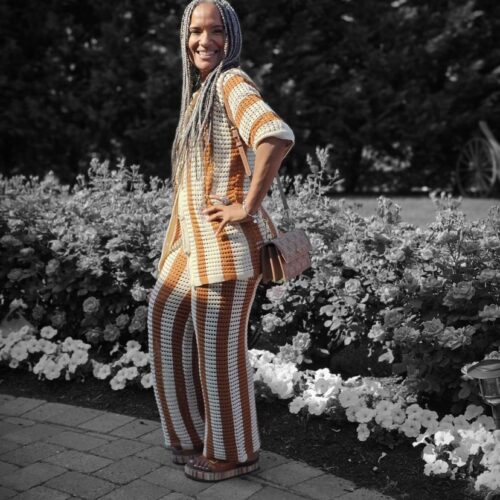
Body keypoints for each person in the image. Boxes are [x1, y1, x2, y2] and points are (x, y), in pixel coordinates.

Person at [147, 0, 294, 482]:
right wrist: (174, 242)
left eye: (216, 31)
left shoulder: (230, 81)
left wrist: (246, 207)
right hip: (191, 245)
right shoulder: (201, 91)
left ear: (232, 38)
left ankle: (234, 452)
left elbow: (274, 134)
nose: (204, 40)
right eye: (195, 30)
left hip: (227, 245)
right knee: (164, 316)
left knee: (216, 348)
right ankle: (190, 436)